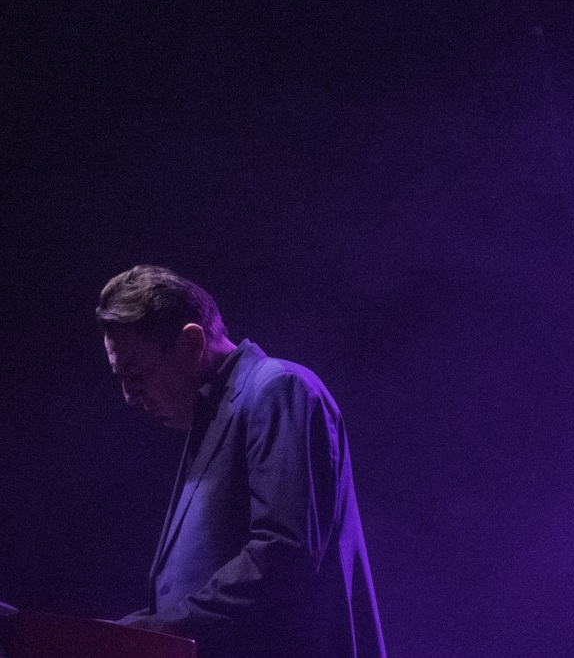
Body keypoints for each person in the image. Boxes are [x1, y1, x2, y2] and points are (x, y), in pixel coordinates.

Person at [97, 265, 387, 658]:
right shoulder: (217, 413)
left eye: (135, 373)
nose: (130, 396)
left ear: (191, 342)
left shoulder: (278, 388)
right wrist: (119, 633)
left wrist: (160, 629)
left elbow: (282, 555)